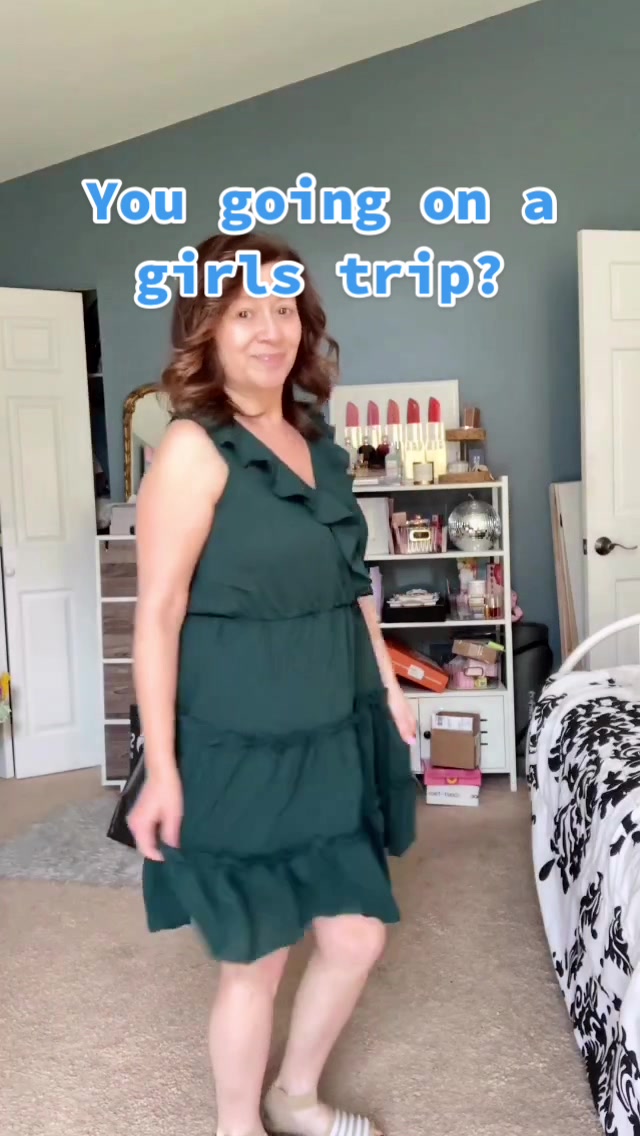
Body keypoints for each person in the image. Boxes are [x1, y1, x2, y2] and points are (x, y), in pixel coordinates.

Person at [127, 229, 418, 1136]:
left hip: (331, 726)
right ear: (205, 330)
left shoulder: (317, 446)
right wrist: (162, 769)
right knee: (255, 955)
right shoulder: (192, 448)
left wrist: (389, 686)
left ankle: (294, 1096)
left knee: (356, 934)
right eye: (242, 312)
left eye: (283, 310)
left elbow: (352, 585)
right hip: (239, 738)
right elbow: (157, 615)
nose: (268, 330)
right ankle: (236, 1126)